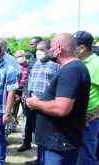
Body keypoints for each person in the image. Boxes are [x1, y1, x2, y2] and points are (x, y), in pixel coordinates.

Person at [27, 33, 91, 164]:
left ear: (60, 49)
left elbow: (62, 108)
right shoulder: (70, 68)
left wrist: (36, 103)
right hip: (55, 142)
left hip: (60, 143)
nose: (50, 50)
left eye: (51, 47)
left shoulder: (71, 71)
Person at [26, 40, 60, 164]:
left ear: (49, 50)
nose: (38, 52)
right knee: (38, 134)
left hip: (46, 106)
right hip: (33, 105)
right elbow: (30, 80)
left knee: (46, 134)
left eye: (41, 50)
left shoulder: (56, 65)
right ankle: (40, 158)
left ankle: (45, 159)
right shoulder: (36, 63)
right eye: (37, 50)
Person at [74, 31, 99, 164]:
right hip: (75, 118)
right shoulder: (77, 63)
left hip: (88, 120)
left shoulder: (96, 64)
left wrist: (94, 114)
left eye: (73, 46)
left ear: (82, 48)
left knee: (86, 158)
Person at [17, 36, 43, 153]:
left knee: (39, 124)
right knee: (28, 120)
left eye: (32, 45)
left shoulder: (48, 59)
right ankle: (27, 143)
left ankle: (40, 150)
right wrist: (24, 92)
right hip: (29, 94)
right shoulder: (32, 58)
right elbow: (28, 77)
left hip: (40, 98)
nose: (30, 47)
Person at [8, 50, 29, 134]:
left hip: (26, 92)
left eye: (21, 56)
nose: (20, 58)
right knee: (13, 110)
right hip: (15, 91)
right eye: (18, 57)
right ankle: (12, 126)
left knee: (25, 111)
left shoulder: (30, 66)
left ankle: (25, 129)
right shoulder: (14, 66)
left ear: (25, 56)